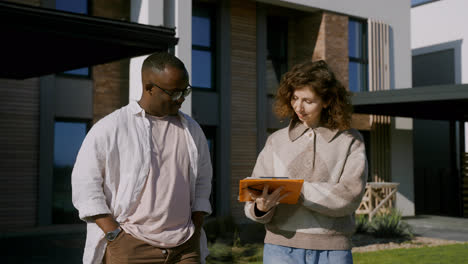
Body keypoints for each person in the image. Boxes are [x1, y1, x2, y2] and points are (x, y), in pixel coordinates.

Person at [72, 52, 213, 264]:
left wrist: (196, 225)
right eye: (175, 93)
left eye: (186, 91)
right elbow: (86, 186)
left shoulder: (192, 129)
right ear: (149, 88)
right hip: (131, 247)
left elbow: (203, 180)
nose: (182, 98)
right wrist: (115, 235)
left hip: (185, 247)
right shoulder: (111, 127)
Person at [244, 60, 368, 264]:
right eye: (294, 98)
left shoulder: (350, 141)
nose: (298, 107)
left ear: (327, 101)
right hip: (280, 249)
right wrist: (261, 208)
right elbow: (253, 195)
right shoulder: (276, 141)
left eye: (308, 101)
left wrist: (296, 191)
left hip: (333, 251)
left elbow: (350, 196)